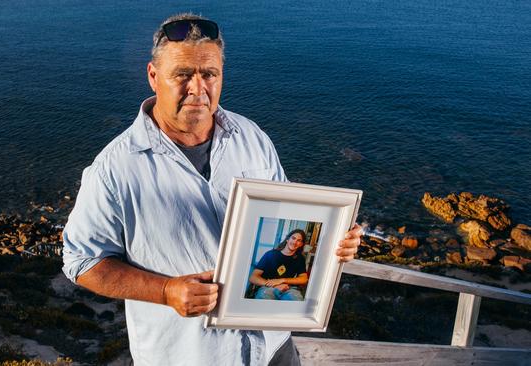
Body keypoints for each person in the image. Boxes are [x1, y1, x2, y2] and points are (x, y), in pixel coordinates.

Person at [62, 13, 363, 366]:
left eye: (209, 74)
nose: (197, 88)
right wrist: (165, 291)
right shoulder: (114, 169)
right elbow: (81, 262)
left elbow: (291, 215)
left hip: (274, 347)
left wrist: (334, 240)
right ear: (153, 77)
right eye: (183, 75)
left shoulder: (252, 137)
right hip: (191, 357)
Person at [248, 229, 309, 301]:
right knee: (264, 297)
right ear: (287, 239)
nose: (295, 242)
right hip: (267, 287)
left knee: (296, 299)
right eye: (293, 238)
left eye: (299, 240)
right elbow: (253, 277)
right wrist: (275, 285)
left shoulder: (300, 258)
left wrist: (282, 280)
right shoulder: (270, 254)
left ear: (301, 244)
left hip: (288, 288)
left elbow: (304, 279)